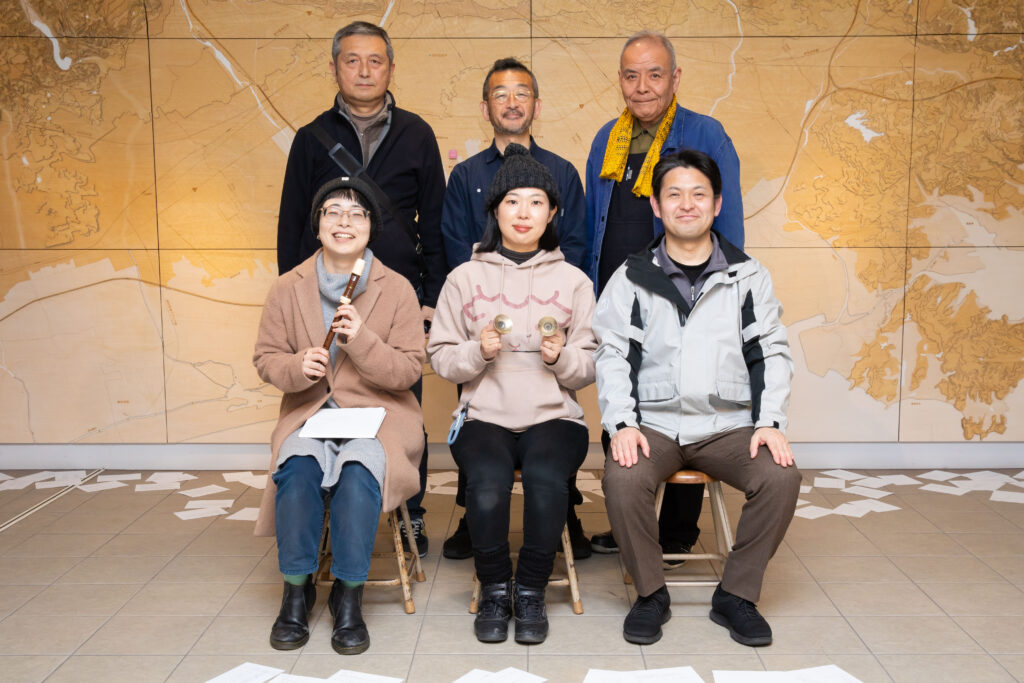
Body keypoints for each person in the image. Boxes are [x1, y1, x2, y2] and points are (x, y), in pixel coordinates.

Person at [594, 150, 799, 647]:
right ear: (657, 207)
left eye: (698, 194)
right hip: (654, 425)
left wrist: (769, 422)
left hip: (727, 426)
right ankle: (650, 594)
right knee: (623, 478)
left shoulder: (748, 276)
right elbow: (612, 355)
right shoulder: (631, 276)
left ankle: (736, 595)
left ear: (717, 203)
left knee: (781, 476)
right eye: (674, 194)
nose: (687, 204)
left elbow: (771, 352)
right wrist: (622, 424)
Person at [276, 21, 446, 556]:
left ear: (391, 68)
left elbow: (435, 220)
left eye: (375, 61)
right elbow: (291, 225)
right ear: (335, 68)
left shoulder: (417, 133)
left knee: (401, 400)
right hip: (325, 292)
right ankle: (325, 504)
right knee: (322, 395)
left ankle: (410, 511)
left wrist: (432, 298)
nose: (365, 71)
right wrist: (295, 298)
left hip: (398, 295)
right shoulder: (311, 138)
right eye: (352, 60)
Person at [584, 30, 745, 560]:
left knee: (686, 403)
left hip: (685, 296)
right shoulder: (606, 138)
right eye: (631, 75)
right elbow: (592, 223)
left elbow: (728, 220)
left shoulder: (705, 133)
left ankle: (676, 531)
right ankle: (631, 524)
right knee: (621, 402)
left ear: (675, 78)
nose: (642, 86)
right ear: (620, 80)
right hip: (619, 296)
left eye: (654, 74)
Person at [428, 144, 596, 645]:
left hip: (555, 416)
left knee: (546, 480)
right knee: (485, 482)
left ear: (553, 213)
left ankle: (530, 591)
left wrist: (560, 358)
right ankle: (496, 587)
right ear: (495, 211)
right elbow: (440, 355)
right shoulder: (463, 278)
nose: (524, 213)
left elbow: (591, 364)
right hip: (484, 414)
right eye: (512, 202)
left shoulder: (574, 281)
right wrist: (476, 352)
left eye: (536, 202)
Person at [254, 177, 425, 655]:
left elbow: (410, 369)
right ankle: (296, 590)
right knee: (297, 468)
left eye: (357, 213)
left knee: (358, 473)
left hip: (379, 415)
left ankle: (349, 596)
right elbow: (266, 358)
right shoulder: (287, 287)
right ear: (318, 225)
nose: (344, 221)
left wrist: (362, 340)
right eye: (333, 211)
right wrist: (297, 367)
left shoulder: (397, 289)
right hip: (310, 413)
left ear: (371, 227)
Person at [439, 57, 590, 561]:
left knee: (551, 440)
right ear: (486, 107)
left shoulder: (562, 172)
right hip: (482, 326)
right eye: (500, 94)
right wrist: (480, 299)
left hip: (549, 334)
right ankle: (478, 521)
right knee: (483, 433)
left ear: (536, 105)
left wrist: (556, 304)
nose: (511, 102)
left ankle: (561, 518)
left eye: (521, 92)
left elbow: (576, 243)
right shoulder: (466, 174)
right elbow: (454, 241)